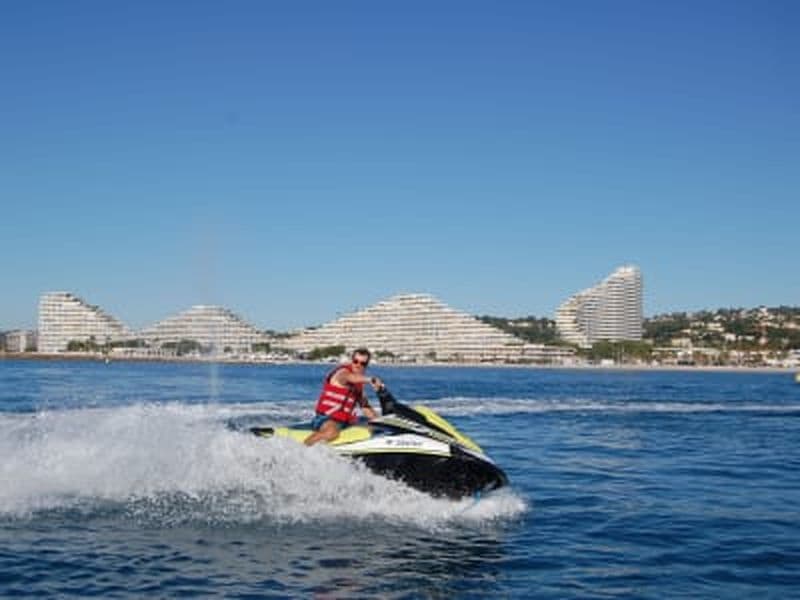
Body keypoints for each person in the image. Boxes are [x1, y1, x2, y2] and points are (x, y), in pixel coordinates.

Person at [304, 348, 383, 446]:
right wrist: (371, 379)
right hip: (325, 418)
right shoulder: (342, 372)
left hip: (344, 421)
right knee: (331, 433)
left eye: (362, 364)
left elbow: (365, 408)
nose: (358, 365)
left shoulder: (359, 384)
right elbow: (349, 377)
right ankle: (301, 450)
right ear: (351, 361)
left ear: (366, 366)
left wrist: (382, 421)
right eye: (356, 361)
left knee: (374, 425)